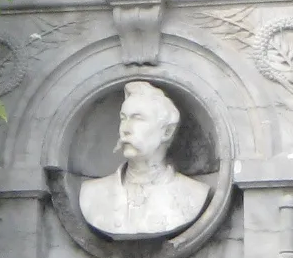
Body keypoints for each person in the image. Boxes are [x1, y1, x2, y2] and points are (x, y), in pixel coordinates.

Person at [79, 81, 209, 239]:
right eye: (123, 118)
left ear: (167, 132)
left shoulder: (193, 194)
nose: (125, 129)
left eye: (137, 119)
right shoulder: (93, 194)